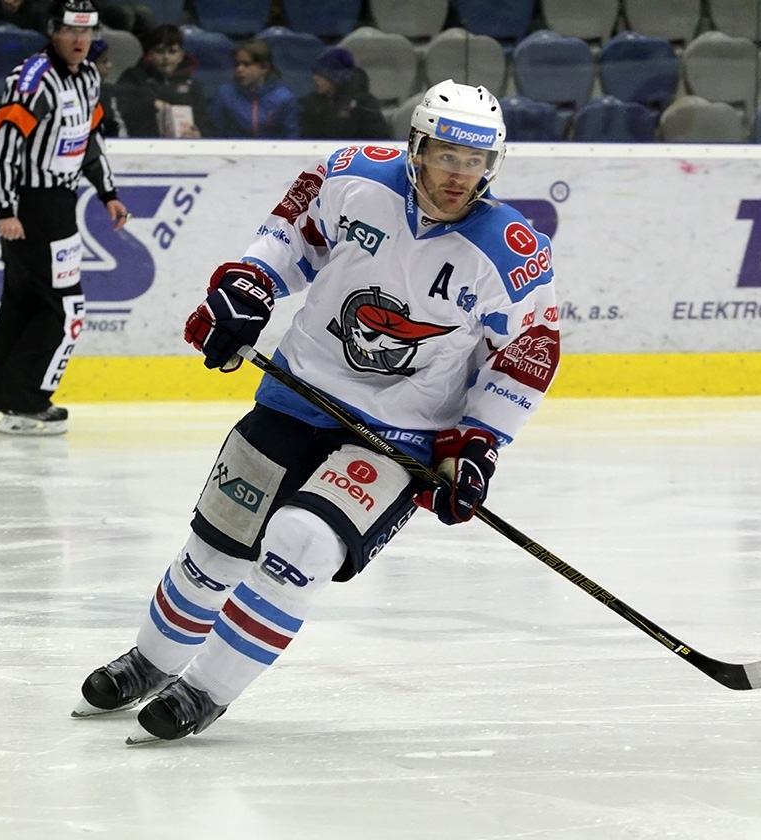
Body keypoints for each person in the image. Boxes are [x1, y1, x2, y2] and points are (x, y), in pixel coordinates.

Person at [71, 80, 560, 744]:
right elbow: (290, 237)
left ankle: (205, 689)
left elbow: (526, 352)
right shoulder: (352, 176)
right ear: (417, 148)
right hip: (298, 393)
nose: (458, 175)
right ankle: (150, 660)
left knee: (303, 541)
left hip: (399, 434)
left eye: (474, 162)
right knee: (217, 544)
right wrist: (248, 286)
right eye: (447, 156)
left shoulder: (512, 252)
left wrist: (478, 442)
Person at [0, 0, 128, 435]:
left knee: (21, 304)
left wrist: (107, 192)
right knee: (63, 306)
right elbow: (2, 149)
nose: (80, 40)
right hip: (33, 206)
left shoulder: (88, 77)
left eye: (87, 31)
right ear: (52, 31)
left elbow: (89, 139)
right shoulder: (35, 80)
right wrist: (6, 209)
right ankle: (25, 405)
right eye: (71, 31)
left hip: (59, 200)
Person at [114, 24, 216, 138]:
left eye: (172, 51)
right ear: (150, 54)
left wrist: (199, 134)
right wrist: (151, 104)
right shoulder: (133, 77)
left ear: (181, 55)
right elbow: (121, 109)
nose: (166, 57)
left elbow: (206, 124)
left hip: (183, 145)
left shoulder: (192, 86)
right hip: (140, 143)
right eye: (160, 51)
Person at [209, 37, 300, 139]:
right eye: (237, 64)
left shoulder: (284, 98)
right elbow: (216, 133)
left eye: (246, 64)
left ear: (265, 67)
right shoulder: (225, 95)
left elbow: (291, 136)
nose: (239, 69)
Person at [298, 46, 390, 140]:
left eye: (321, 74)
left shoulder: (363, 102)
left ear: (336, 77)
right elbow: (306, 137)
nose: (315, 78)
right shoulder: (312, 101)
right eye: (315, 73)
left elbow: (379, 138)